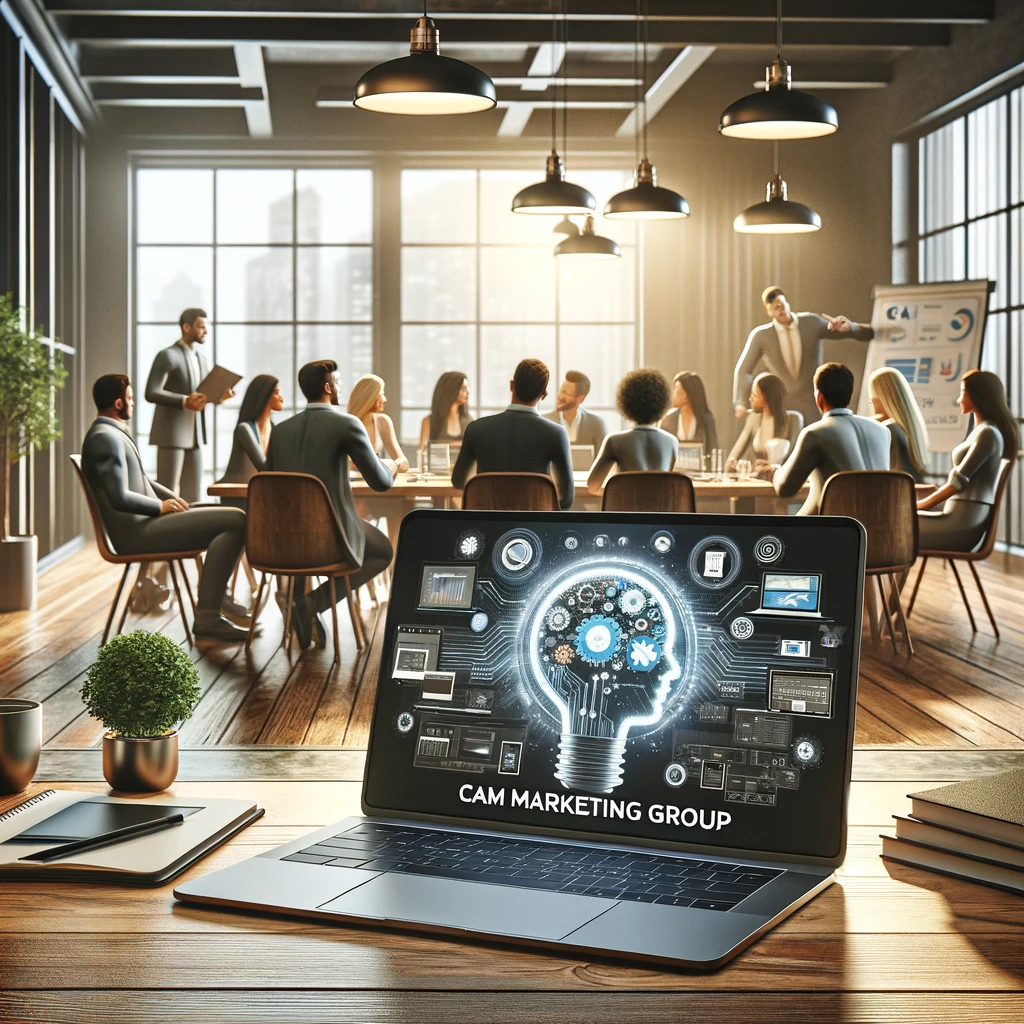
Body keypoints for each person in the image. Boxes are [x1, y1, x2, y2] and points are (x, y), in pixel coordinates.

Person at [80, 374, 249, 642]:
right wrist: (160, 507)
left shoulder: (111, 433)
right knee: (237, 520)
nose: (133, 404)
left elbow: (144, 481)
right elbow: (118, 497)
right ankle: (209, 614)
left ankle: (212, 605)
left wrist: (177, 502)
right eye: (131, 399)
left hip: (147, 524)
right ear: (118, 403)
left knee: (232, 518)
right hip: (137, 534)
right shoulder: (104, 438)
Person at [265, 360, 395, 650]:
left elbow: (267, 480)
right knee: (383, 551)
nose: (340, 387)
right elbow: (381, 482)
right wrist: (391, 466)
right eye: (337, 381)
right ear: (327, 387)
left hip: (281, 540)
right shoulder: (347, 423)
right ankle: (313, 602)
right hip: (329, 539)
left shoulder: (281, 430)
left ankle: (301, 600)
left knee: (308, 529)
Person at [734, 286, 873, 427]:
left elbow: (843, 330)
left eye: (782, 305)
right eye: (776, 307)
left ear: (788, 304)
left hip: (812, 400)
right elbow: (743, 370)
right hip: (783, 404)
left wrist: (851, 327)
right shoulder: (761, 335)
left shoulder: (811, 323)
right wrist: (741, 402)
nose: (781, 309)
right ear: (769, 311)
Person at [451, 358, 574, 510]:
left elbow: (458, 481)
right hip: (533, 528)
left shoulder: (475, 429)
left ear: (511, 385)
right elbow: (566, 499)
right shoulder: (557, 433)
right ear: (544, 393)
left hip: (488, 525)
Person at [917, 370, 1019, 551]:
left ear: (976, 395)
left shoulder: (987, 434)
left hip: (961, 525)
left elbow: (958, 482)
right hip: (961, 517)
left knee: (891, 524)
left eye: (963, 392)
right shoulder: (983, 432)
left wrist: (921, 505)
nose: (958, 400)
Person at [773, 362, 890, 516]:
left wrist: (775, 472)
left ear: (819, 397)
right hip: (881, 529)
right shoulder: (882, 430)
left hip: (835, 531)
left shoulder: (815, 433)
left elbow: (785, 489)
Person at [145, 307, 233, 502]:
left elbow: (201, 395)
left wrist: (219, 397)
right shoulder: (167, 355)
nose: (205, 331)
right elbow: (151, 392)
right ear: (186, 327)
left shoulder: (201, 359)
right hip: (171, 434)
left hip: (196, 436)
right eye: (201, 327)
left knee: (193, 494)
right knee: (166, 492)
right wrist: (184, 401)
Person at [588, 369, 679, 495]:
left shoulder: (614, 441)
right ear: (662, 404)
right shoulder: (672, 442)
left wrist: (619, 494)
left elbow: (592, 486)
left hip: (626, 513)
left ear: (626, 403)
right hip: (660, 513)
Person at [216, 374, 285, 509]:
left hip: (257, 493)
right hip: (237, 496)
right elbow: (264, 467)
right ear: (264, 396)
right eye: (277, 393)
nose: (281, 398)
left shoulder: (274, 429)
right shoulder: (245, 429)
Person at [727, 372, 803, 473]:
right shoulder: (753, 418)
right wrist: (740, 466)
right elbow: (730, 462)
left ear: (767, 397)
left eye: (755, 395)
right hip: (759, 481)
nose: (750, 399)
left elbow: (796, 459)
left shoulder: (793, 419)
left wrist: (774, 468)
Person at [867, 367, 930, 483]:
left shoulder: (888, 429)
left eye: (871, 402)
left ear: (879, 400)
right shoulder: (909, 428)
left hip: (896, 495)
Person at [348, 374, 410, 474]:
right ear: (369, 398)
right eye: (381, 394)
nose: (384, 399)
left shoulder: (382, 421)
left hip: (376, 481)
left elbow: (403, 462)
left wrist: (393, 464)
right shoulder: (346, 424)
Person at [544, 370, 606, 449]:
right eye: (561, 391)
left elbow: (605, 459)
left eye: (567, 394)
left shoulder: (596, 424)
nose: (560, 397)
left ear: (580, 399)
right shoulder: (545, 421)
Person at [660, 371, 718, 455]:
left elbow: (713, 450)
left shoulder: (707, 420)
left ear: (687, 395)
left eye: (677, 390)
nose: (673, 394)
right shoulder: (669, 418)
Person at [419, 371, 472, 453]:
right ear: (450, 390)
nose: (468, 392)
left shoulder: (469, 420)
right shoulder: (428, 421)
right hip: (437, 465)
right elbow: (422, 452)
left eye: (467, 388)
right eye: (463, 388)